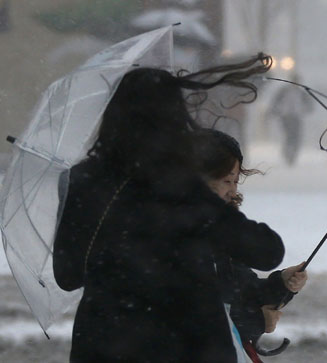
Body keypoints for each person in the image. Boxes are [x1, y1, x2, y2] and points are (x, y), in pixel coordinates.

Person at [53, 54, 289, 362]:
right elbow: (267, 251)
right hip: (186, 345)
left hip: (104, 342)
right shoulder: (179, 186)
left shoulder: (82, 181)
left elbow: (67, 275)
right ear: (173, 119)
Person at [192, 128, 307, 362]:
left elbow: (239, 289)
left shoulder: (222, 232)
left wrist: (282, 284)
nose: (233, 189)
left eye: (236, 180)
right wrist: (256, 320)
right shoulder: (184, 234)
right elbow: (194, 316)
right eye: (226, 180)